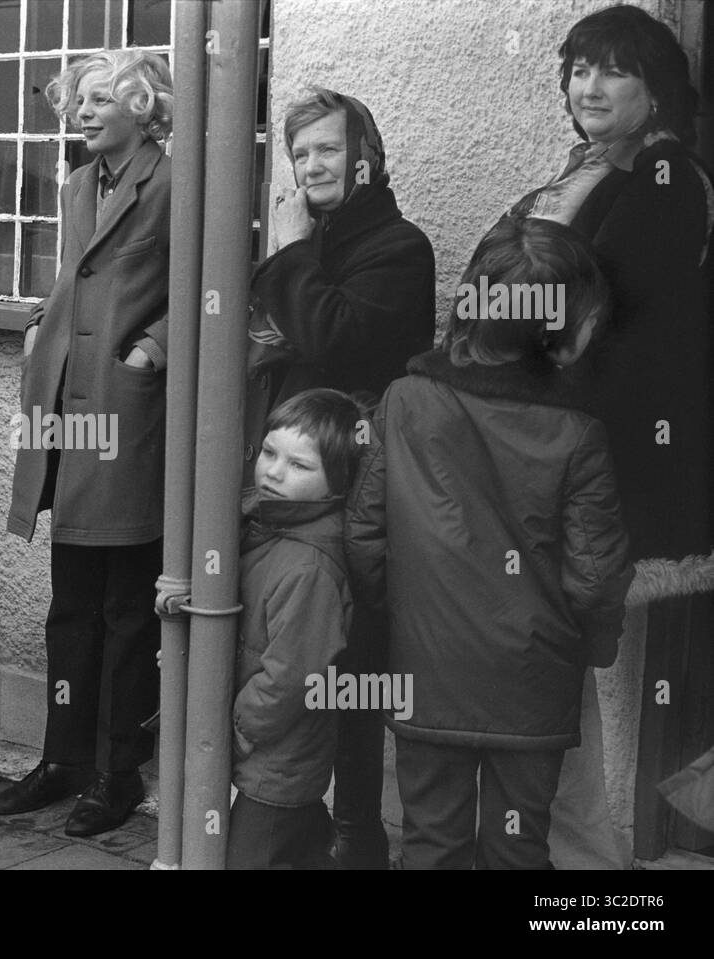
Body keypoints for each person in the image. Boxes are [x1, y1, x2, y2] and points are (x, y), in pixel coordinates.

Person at [346, 217, 635, 869]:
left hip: (427, 672)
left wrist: (388, 623)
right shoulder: (580, 428)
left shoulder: (404, 400)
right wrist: (592, 646)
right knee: (517, 846)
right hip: (535, 680)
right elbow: (597, 571)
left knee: (431, 841)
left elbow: (364, 536)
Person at [506, 4, 714, 868]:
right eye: (579, 68)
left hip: (607, 462)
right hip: (562, 450)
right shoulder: (595, 171)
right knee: (548, 664)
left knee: (553, 662)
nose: (588, 86)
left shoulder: (664, 177)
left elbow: (596, 318)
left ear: (656, 88)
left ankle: (585, 868)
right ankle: (568, 854)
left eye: (613, 70)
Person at [246, 87, 435, 868]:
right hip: (292, 481)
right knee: (285, 648)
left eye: (328, 149)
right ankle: (290, 822)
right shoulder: (314, 242)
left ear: (366, 158)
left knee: (350, 662)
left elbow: (344, 342)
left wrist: (288, 255)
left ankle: (358, 833)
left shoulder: (399, 246)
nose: (312, 165)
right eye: (301, 153)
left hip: (355, 490)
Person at [0, 49, 173, 837]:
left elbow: (223, 280)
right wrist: (42, 320)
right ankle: (61, 756)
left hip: (129, 418)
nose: (85, 110)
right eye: (79, 99)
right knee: (70, 607)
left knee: (127, 608)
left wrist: (154, 350)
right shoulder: (76, 184)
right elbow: (74, 279)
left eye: (105, 98)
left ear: (144, 106)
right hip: (68, 413)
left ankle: (117, 771)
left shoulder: (175, 182)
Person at [227, 389, 363, 870]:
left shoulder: (309, 567)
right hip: (264, 746)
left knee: (248, 859)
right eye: (268, 452)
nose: (274, 472)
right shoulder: (258, 522)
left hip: (277, 756)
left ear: (338, 482)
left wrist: (237, 730)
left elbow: (293, 675)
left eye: (299, 466)